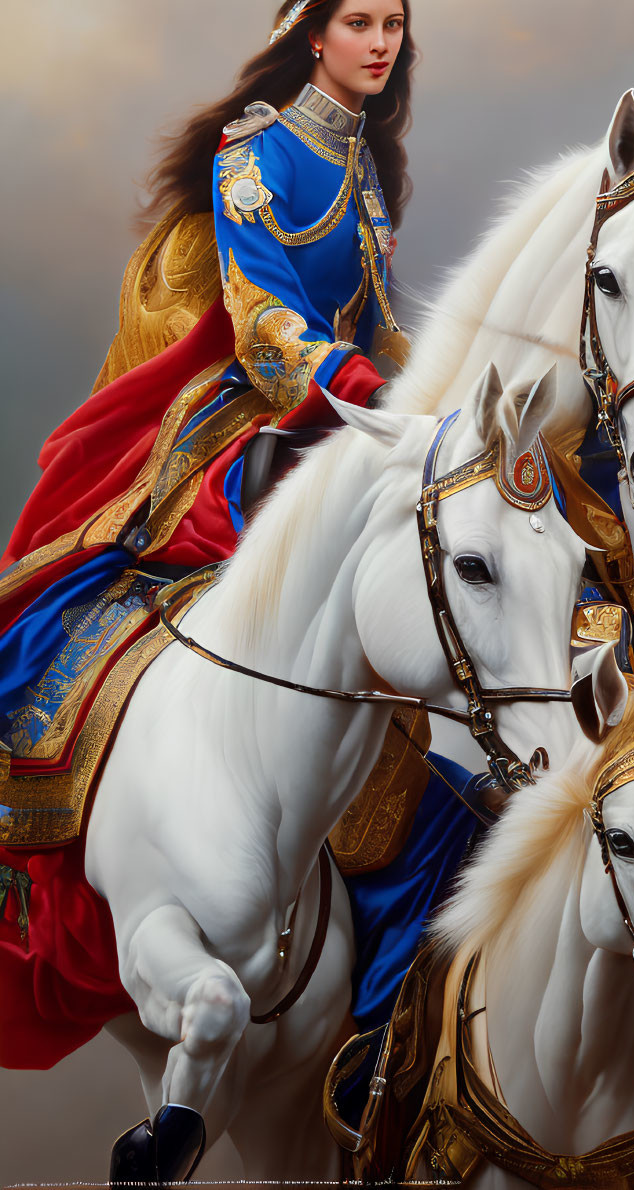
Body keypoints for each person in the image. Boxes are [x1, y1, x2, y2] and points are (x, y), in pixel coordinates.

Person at [0, 0, 416, 1073]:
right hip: (253, 409)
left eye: (395, 23)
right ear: (310, 36)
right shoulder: (254, 155)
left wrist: (438, 382)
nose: (381, 42)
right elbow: (266, 316)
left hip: (349, 405)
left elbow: (378, 320)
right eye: (360, 21)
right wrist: (353, 381)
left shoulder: (366, 176)